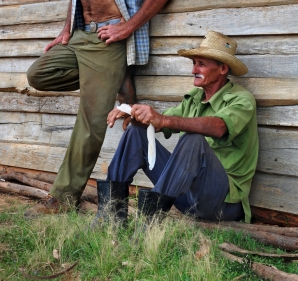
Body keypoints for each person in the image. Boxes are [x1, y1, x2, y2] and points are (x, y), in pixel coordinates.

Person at [24, 0, 174, 218]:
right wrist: (65, 32)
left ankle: (62, 200)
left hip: (109, 45)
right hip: (80, 38)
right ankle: (106, 87)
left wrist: (127, 26)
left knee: (90, 122)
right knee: (37, 73)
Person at [98, 31, 259, 224]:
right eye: (194, 63)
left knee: (193, 139)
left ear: (223, 68)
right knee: (136, 133)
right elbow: (161, 121)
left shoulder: (242, 100)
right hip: (186, 198)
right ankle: (110, 217)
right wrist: (133, 112)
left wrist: (164, 121)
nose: (194, 70)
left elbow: (219, 127)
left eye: (201, 64)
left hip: (221, 203)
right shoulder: (195, 99)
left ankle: (150, 225)